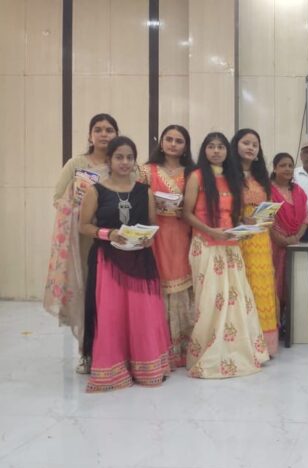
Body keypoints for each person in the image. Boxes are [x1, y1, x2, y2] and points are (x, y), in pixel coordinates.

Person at [79, 136, 174, 392]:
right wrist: (108, 234)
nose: (124, 162)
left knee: (143, 314)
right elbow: (83, 225)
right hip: (108, 261)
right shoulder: (96, 191)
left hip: (140, 260)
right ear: (109, 160)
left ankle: (146, 368)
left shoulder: (145, 191)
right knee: (112, 316)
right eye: (119, 157)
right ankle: (114, 369)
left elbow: (153, 224)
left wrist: (148, 239)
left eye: (129, 157)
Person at [182, 132, 269, 378]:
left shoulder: (233, 178)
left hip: (231, 245)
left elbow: (235, 215)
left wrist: (245, 226)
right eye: (211, 146)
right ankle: (208, 352)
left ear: (226, 151)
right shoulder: (197, 176)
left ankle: (238, 350)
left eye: (220, 147)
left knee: (237, 299)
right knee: (211, 300)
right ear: (204, 150)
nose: (216, 151)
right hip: (206, 244)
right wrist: (211, 231)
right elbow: (186, 213)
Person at [44, 113, 120, 374]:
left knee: (112, 295)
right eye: (98, 129)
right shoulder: (76, 164)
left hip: (115, 238)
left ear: (116, 134)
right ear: (90, 135)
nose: (103, 134)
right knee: (88, 292)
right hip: (85, 239)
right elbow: (57, 198)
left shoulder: (121, 162)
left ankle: (115, 350)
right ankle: (87, 352)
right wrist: (77, 201)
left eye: (109, 129)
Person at [138, 124, 196, 367]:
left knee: (183, 280)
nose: (173, 144)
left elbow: (199, 205)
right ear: (161, 143)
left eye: (179, 141)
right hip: (155, 233)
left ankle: (182, 348)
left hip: (183, 233)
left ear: (186, 146)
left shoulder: (193, 172)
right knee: (157, 281)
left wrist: (187, 209)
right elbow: (136, 200)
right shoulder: (146, 171)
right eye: (169, 139)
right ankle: (157, 346)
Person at [232, 128, 280, 356]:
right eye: (246, 143)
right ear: (236, 145)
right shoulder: (228, 175)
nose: (250, 148)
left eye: (255, 145)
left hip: (260, 238)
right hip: (237, 236)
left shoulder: (262, 177)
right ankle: (242, 344)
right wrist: (241, 218)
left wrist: (268, 217)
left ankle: (264, 345)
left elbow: (268, 207)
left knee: (261, 286)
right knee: (240, 286)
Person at [269, 153, 308, 315]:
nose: (287, 169)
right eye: (282, 165)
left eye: (290, 166)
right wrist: (282, 239)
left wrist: (296, 238)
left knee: (293, 285)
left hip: (294, 245)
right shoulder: (267, 190)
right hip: (273, 246)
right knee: (274, 285)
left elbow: (306, 218)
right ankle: (275, 321)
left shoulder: (298, 191)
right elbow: (266, 221)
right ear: (274, 168)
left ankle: (290, 322)